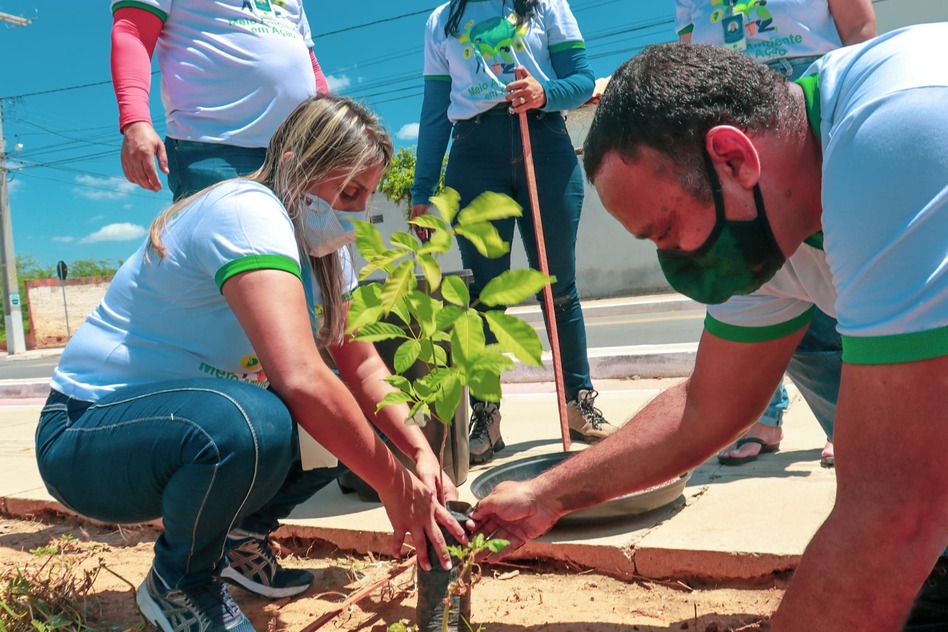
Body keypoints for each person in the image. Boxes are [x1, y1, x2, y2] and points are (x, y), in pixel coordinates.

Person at [471, 27, 947, 630]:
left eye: (666, 230)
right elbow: (705, 407)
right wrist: (545, 495)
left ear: (732, 157)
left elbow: (895, 511)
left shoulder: (896, 134)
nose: (676, 263)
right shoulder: (770, 211)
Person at [36, 96, 465, 632]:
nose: (355, 212)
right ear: (293, 165)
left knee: (342, 422)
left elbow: (363, 370)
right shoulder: (245, 211)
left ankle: (239, 540)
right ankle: (182, 582)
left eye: (366, 196)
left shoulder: (327, 255)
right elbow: (300, 377)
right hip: (88, 438)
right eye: (348, 191)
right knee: (257, 422)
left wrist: (419, 453)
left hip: (185, 429)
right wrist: (396, 488)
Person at [409, 0, 617, 466]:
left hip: (543, 143)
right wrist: (422, 189)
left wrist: (546, 92)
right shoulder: (441, 20)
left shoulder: (546, 5)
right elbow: (435, 111)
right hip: (473, 156)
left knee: (557, 287)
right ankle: (486, 416)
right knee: (484, 298)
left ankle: (578, 404)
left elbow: (583, 80)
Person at [676, 0, 877, 467]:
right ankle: (766, 418)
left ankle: (855, 420)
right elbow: (689, 57)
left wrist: (856, 107)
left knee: (835, 270)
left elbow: (859, 26)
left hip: (811, 92)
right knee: (755, 274)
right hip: (723, 104)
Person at [110, 0, 330, 201]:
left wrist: (332, 127)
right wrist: (135, 121)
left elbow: (310, 62)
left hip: (301, 150)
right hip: (214, 147)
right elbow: (133, 32)